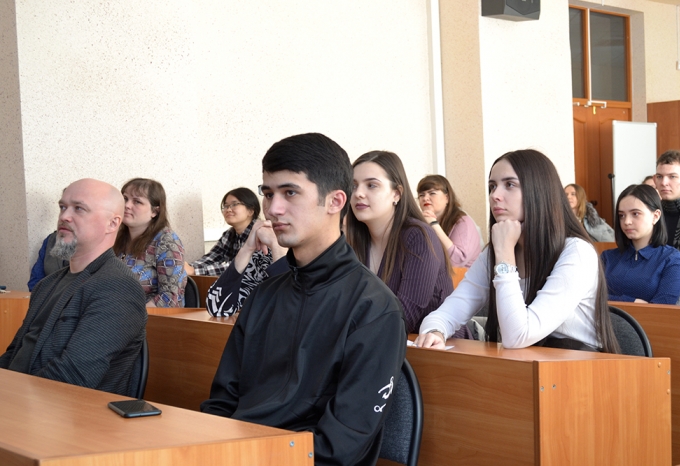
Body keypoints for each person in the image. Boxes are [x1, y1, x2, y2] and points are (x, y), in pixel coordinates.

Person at [201, 133, 406, 466]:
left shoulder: (374, 308)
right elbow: (222, 402)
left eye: (290, 192)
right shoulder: (264, 294)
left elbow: (341, 446)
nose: (273, 209)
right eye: (268, 193)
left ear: (335, 202)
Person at [415, 149, 620, 353]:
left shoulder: (577, 252)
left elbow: (517, 336)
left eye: (510, 185)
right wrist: (436, 331)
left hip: (577, 367)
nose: (495, 196)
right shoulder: (494, 252)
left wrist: (505, 255)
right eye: (492, 186)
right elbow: (447, 313)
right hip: (525, 364)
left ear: (539, 191)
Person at [0, 179, 147, 395]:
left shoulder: (118, 288)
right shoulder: (47, 285)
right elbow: (13, 355)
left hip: (63, 410)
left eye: (79, 208)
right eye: (63, 207)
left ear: (112, 223)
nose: (64, 216)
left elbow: (72, 376)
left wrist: (9, 396)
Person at [346, 151, 454, 334]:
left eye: (371, 185)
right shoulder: (354, 241)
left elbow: (404, 316)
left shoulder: (418, 236)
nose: (358, 194)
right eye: (353, 186)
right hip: (375, 344)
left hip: (438, 347)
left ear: (396, 194)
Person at [602, 184, 680, 304]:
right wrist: (633, 302)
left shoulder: (671, 259)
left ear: (655, 216)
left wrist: (609, 300)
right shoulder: (607, 257)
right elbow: (589, 296)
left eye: (635, 214)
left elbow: (662, 308)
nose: (626, 222)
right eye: (621, 215)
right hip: (603, 316)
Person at [113, 178, 186, 307]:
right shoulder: (115, 236)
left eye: (137, 201)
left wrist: (127, 316)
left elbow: (170, 297)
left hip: (147, 316)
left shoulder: (166, 241)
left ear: (154, 211)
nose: (127, 205)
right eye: (125, 199)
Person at [206, 218, 288, 317]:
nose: (275, 211)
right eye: (268, 209)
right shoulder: (264, 255)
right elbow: (217, 308)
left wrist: (278, 247)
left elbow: (290, 309)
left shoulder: (306, 259)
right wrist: (248, 248)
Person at [185, 187, 260, 277]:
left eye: (234, 204)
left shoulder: (260, 233)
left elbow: (242, 267)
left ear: (251, 211)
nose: (228, 210)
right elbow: (211, 258)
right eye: (226, 206)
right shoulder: (229, 234)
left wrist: (195, 271)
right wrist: (187, 267)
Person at [417, 174, 482, 267]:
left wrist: (433, 224)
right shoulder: (421, 222)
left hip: (463, 275)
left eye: (432, 193)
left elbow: (457, 261)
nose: (425, 198)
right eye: (421, 195)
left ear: (447, 198)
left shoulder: (462, 221)